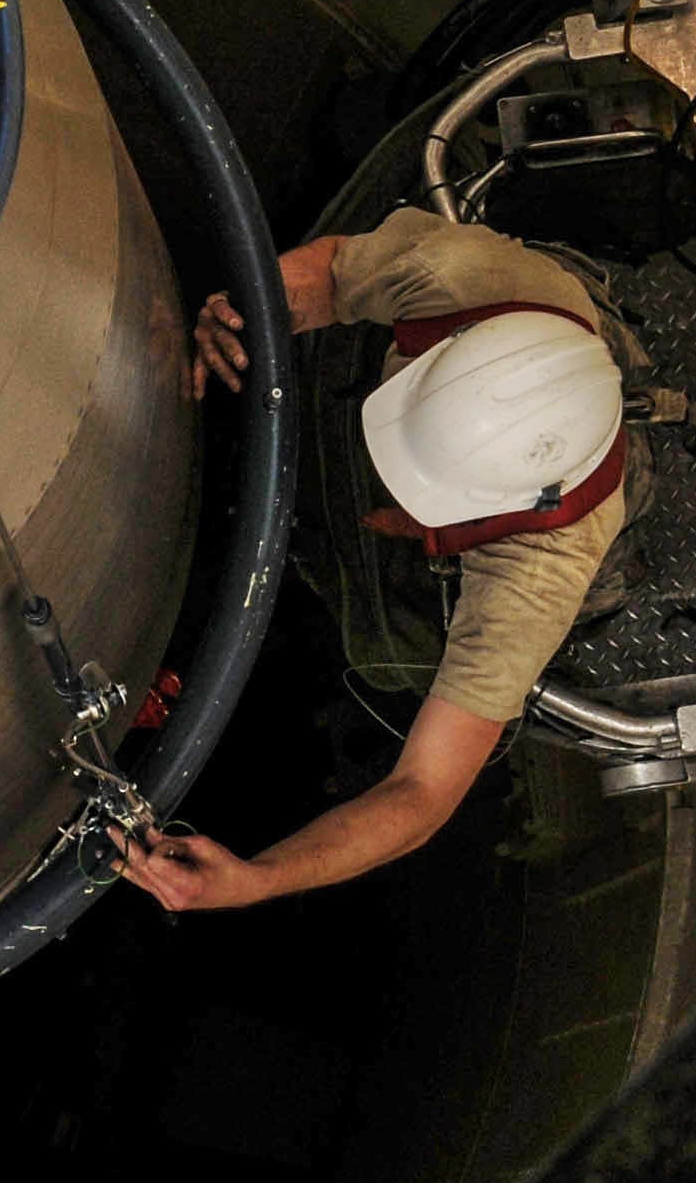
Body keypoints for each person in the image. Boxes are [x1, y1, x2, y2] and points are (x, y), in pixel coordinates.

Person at [119, 206, 628, 910]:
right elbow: (330, 275)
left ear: (495, 511)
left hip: (394, 557)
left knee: (387, 648)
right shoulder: (472, 284)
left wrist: (257, 879)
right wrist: (241, 318)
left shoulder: (537, 571)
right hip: (352, 391)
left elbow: (423, 792)